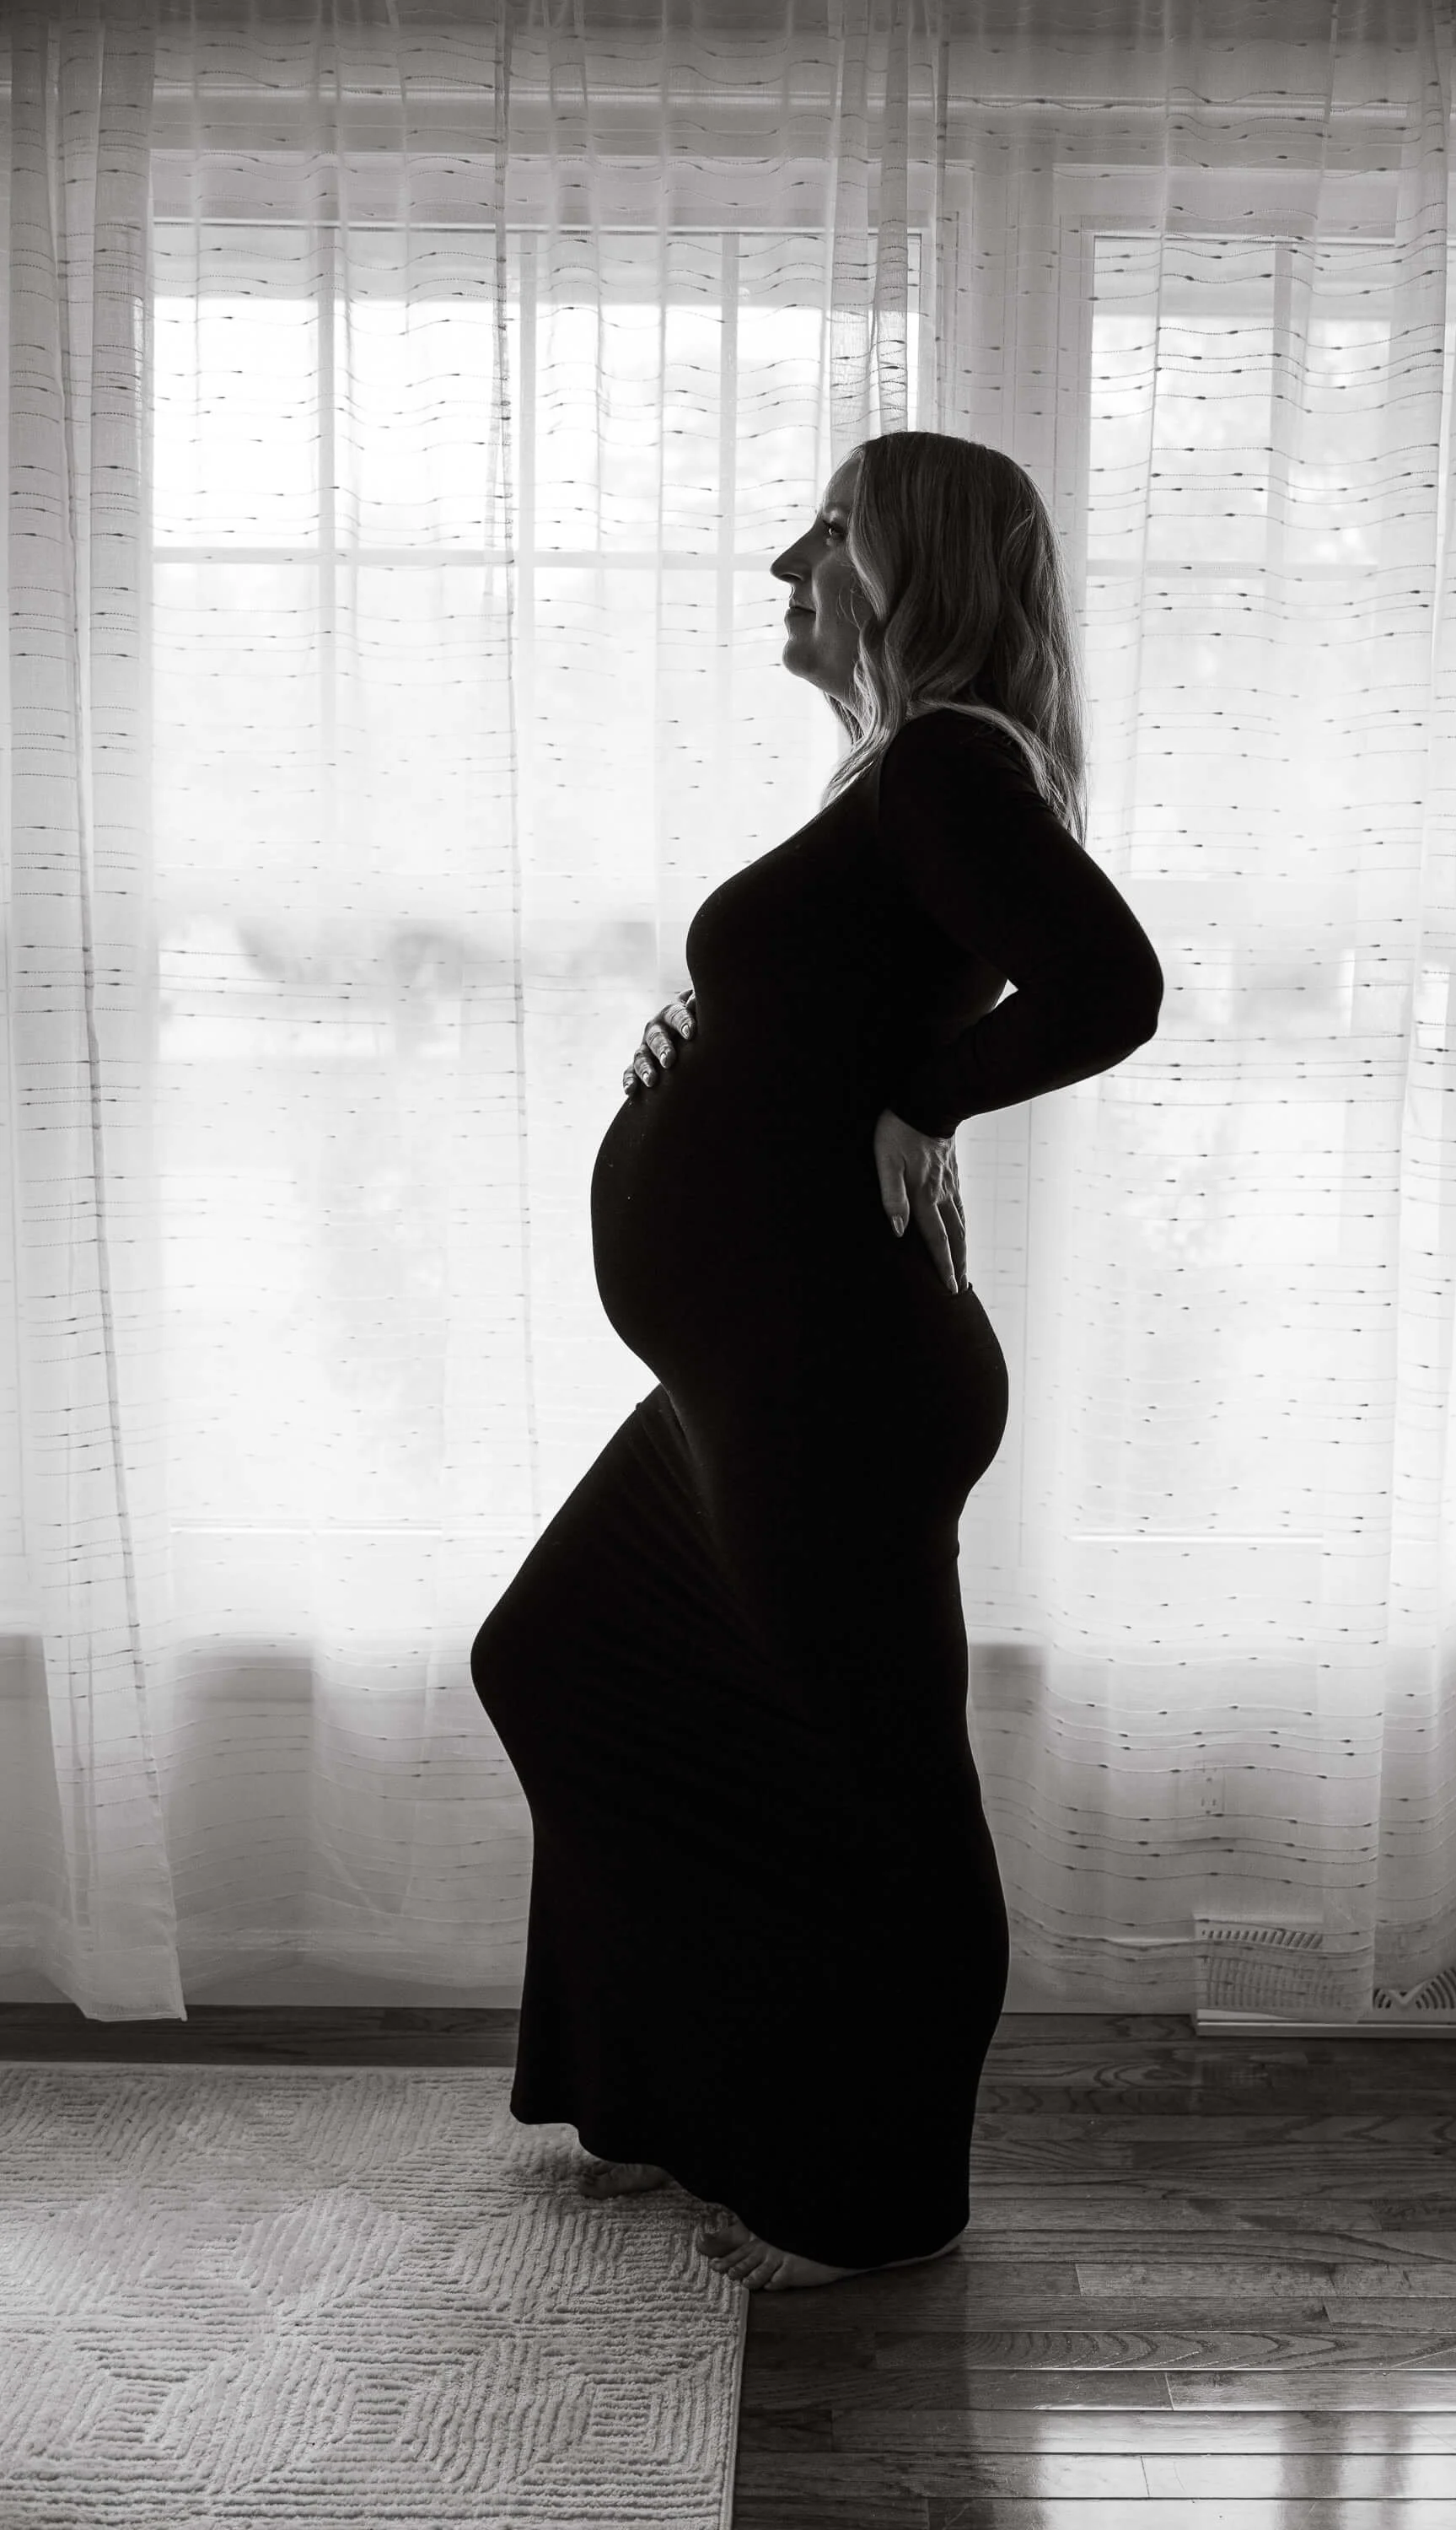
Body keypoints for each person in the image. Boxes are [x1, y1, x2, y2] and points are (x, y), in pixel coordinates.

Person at [470, 429, 1163, 2293]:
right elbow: (845, 994)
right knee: (560, 1657)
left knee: (877, 1783)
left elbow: (1111, 988)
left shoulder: (945, 761)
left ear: (914, 569)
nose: (787, 557)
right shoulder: (900, 775)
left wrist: (927, 1101)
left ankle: (879, 2206)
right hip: (752, 1374)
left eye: (830, 531)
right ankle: (675, 2091)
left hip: (830, 1377)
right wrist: (711, 1032)